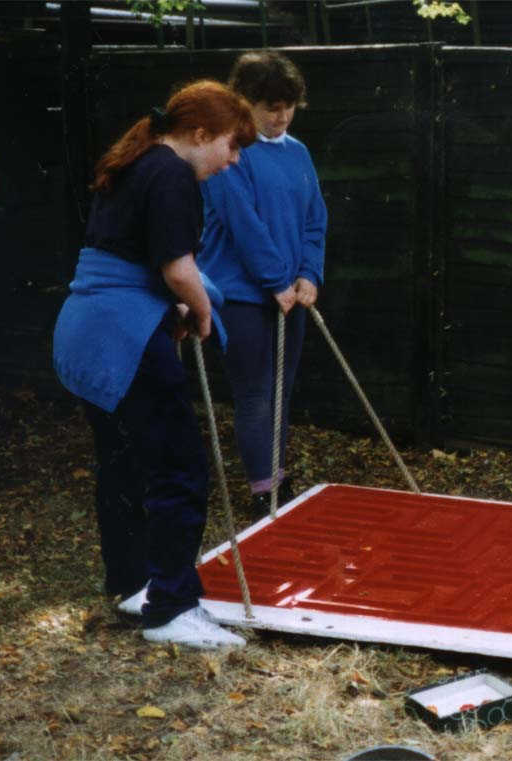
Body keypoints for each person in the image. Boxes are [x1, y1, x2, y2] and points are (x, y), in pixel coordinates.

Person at [53, 80, 257, 649]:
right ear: (199, 134)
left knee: (122, 465)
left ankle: (132, 583)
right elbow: (177, 268)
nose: (233, 160)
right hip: (126, 335)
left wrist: (181, 301)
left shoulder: (137, 163)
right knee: (178, 468)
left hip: (87, 329)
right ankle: (171, 608)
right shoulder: (172, 173)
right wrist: (201, 309)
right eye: (231, 145)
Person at [198, 51, 327, 515]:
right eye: (270, 106)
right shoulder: (230, 152)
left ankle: (276, 479)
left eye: (288, 105)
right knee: (255, 392)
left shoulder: (299, 152)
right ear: (245, 104)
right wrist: (276, 280)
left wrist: (309, 274)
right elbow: (242, 223)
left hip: (289, 294)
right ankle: (263, 490)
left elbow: (316, 219)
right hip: (241, 294)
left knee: (281, 391)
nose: (281, 115)